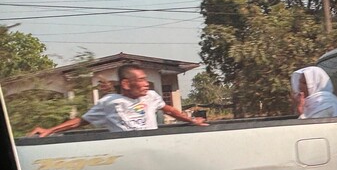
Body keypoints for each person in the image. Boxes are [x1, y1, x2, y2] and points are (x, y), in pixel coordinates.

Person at [27, 63, 207, 137]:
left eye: (146, 79)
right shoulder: (109, 102)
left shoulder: (151, 97)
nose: (146, 84)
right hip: (124, 152)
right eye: (141, 80)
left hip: (152, 147)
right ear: (127, 84)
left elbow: (169, 110)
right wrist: (50, 130)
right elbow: (80, 121)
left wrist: (191, 120)